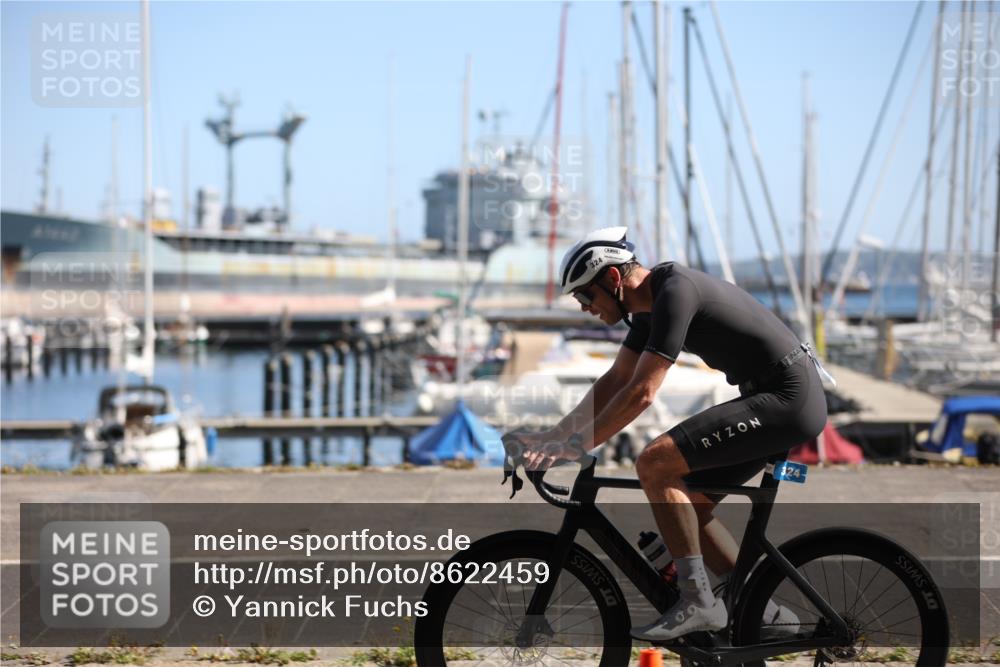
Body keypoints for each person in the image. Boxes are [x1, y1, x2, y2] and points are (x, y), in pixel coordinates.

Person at [510, 226, 829, 641]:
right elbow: (617, 379)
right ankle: (761, 612)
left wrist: (574, 448)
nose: (585, 308)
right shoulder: (648, 308)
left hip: (788, 398)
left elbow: (642, 393)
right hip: (772, 396)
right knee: (688, 507)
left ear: (612, 279)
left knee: (655, 463)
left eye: (586, 296)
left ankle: (699, 602)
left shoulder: (675, 291)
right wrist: (554, 435)